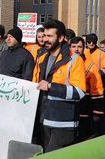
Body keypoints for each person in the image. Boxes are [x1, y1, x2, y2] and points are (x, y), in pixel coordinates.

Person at [33, 19, 86, 152]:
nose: (45, 39)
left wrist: (51, 87)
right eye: (44, 36)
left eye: (50, 36)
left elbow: (79, 92)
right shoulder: (42, 57)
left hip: (63, 123)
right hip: (44, 119)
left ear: (61, 38)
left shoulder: (74, 60)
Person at [69, 37, 104, 140]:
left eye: (79, 47)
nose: (76, 49)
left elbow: (97, 89)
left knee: (83, 135)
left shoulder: (91, 66)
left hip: (84, 106)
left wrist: (97, 112)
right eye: (73, 46)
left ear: (84, 48)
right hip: (68, 106)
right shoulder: (65, 63)